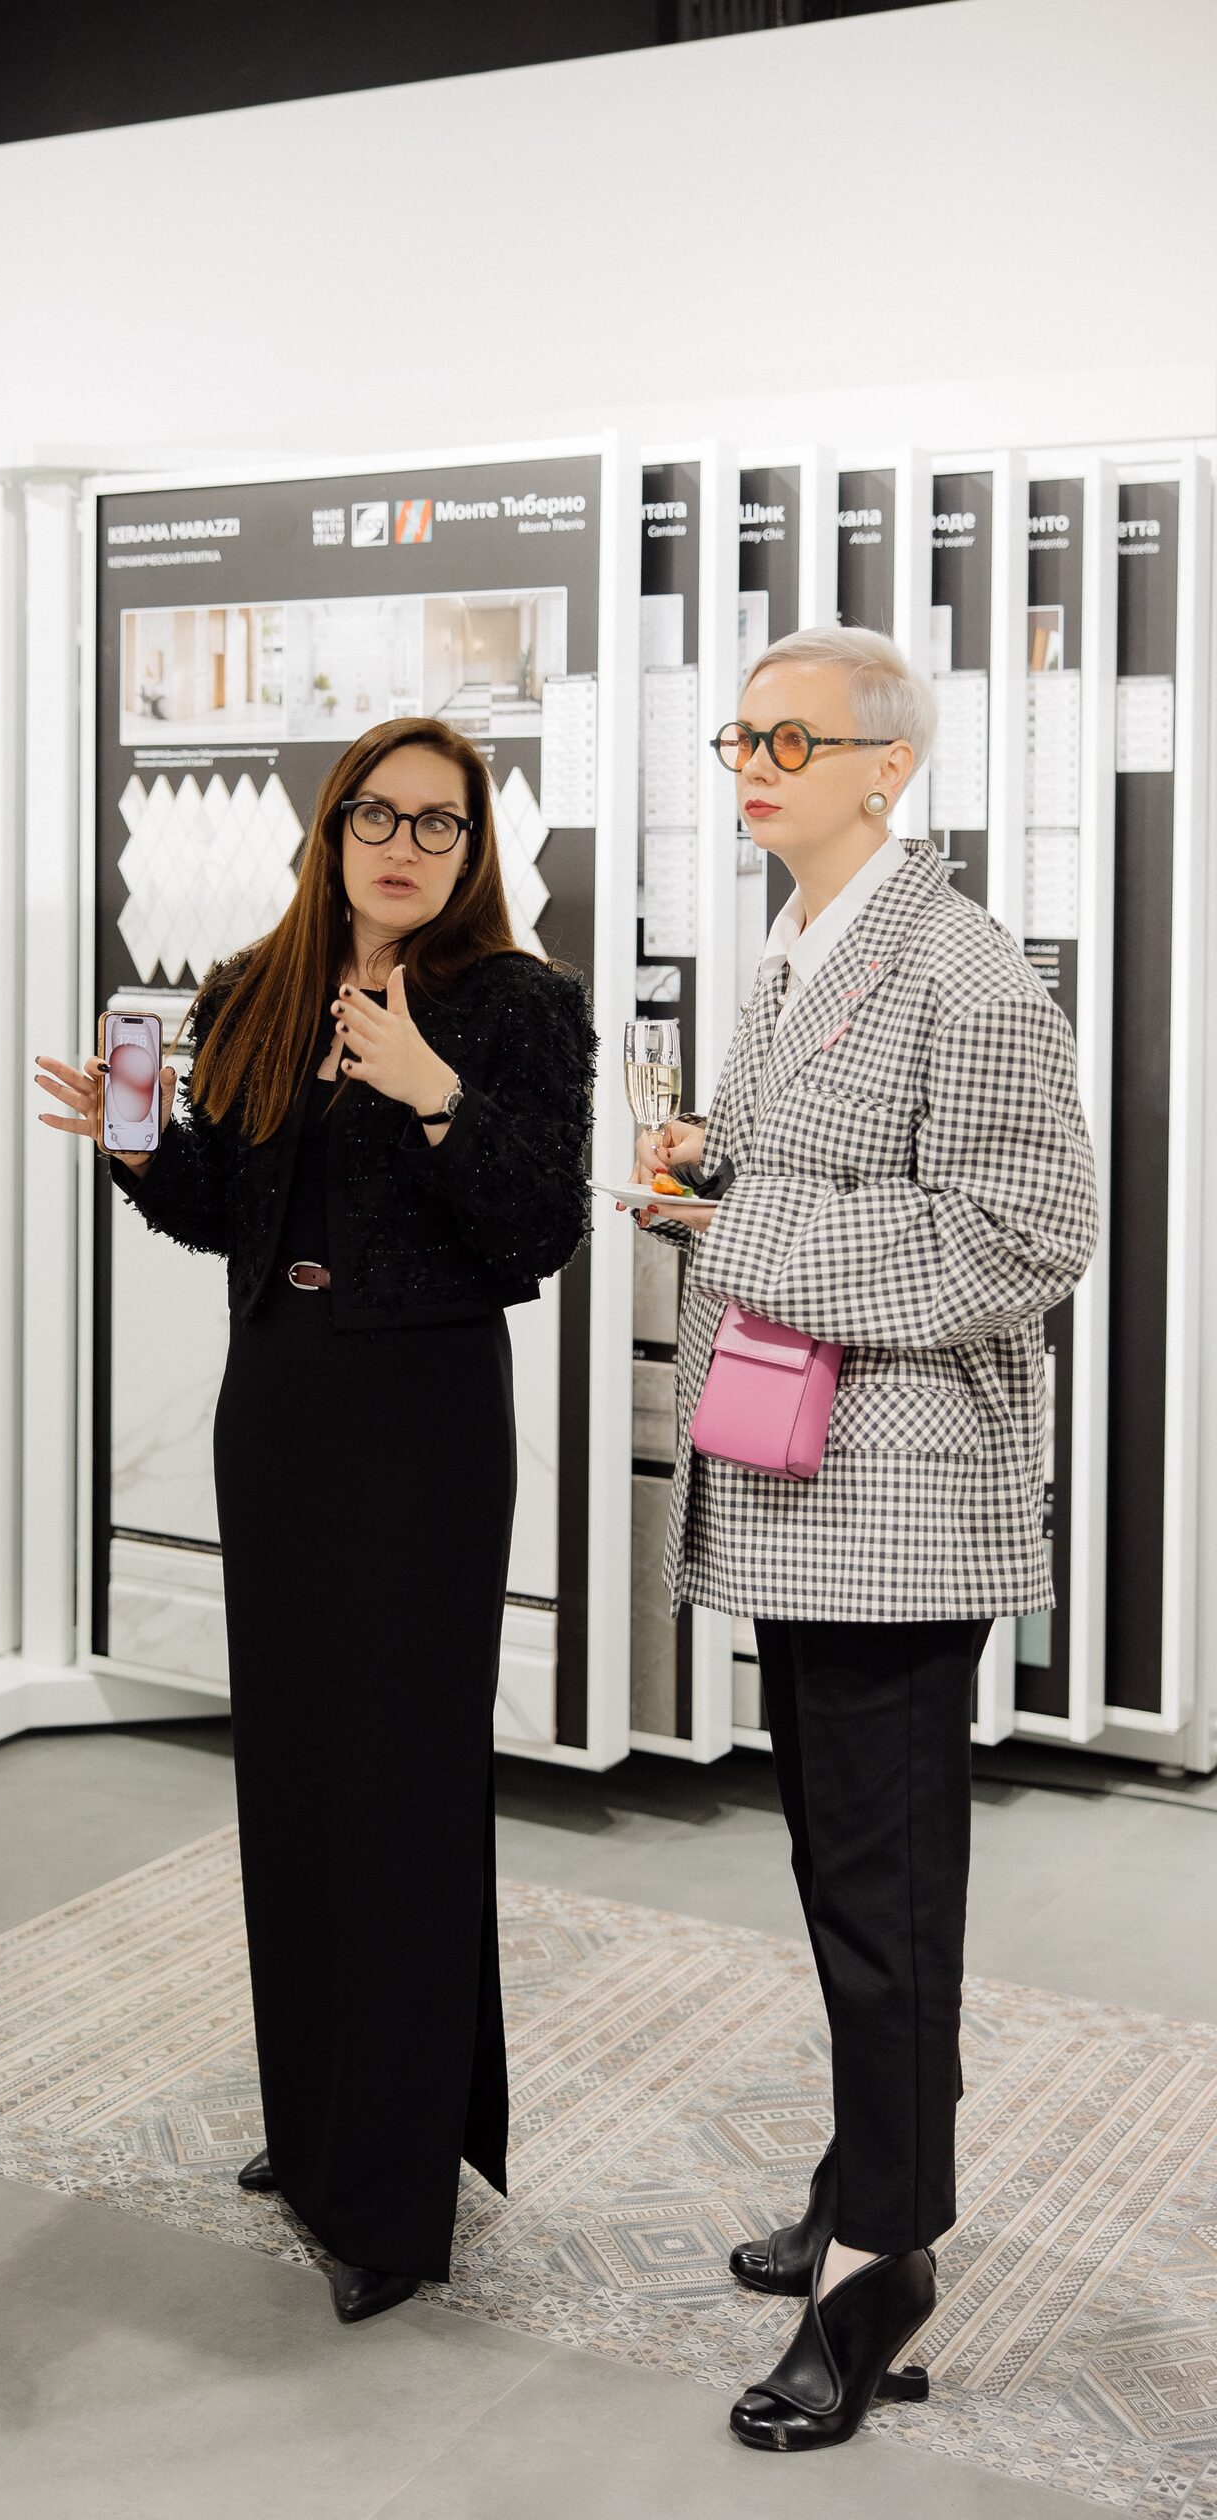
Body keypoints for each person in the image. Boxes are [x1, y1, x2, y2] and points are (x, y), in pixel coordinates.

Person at [36, 718, 595, 2323]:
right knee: (292, 1772)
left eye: (440, 822)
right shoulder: (252, 990)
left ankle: (390, 2192)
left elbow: (536, 1232)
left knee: (404, 1784)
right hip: (278, 1402)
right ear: (332, 829)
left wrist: (435, 1095)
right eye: (378, 815)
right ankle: (316, 2124)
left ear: (476, 848)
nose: (405, 846)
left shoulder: (515, 1005)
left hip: (424, 1415)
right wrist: (135, 1143)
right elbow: (227, 1209)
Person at [639, 627, 1097, 2451]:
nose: (753, 766)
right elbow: (839, 1178)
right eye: (741, 738)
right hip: (810, 1493)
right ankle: (862, 2174)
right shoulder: (808, 947)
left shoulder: (962, 970)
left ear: (886, 768)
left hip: (901, 1505)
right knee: (842, 1875)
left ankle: (882, 2269)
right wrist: (717, 1169)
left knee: (886, 1907)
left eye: (791, 740)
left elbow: (1027, 1235)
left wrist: (741, 1227)